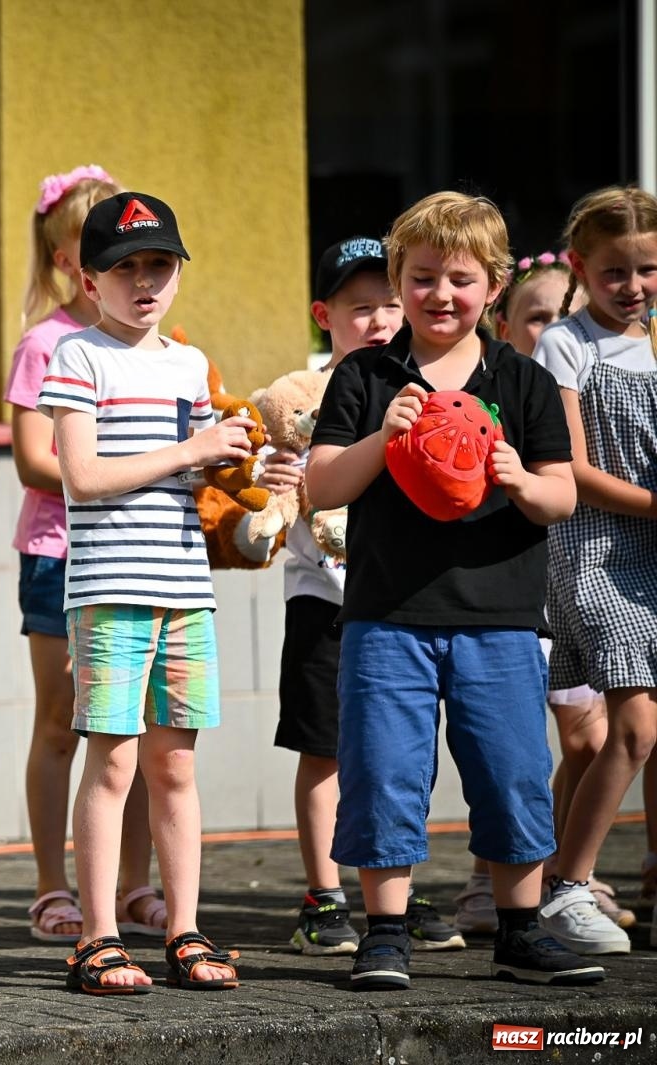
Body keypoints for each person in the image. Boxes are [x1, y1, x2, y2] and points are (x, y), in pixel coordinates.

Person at [308, 190, 603, 990]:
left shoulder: (524, 379)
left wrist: (518, 477)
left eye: (461, 279)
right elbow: (322, 485)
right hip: (385, 616)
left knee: (512, 770)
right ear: (399, 280)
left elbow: (561, 495)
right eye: (423, 277)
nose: (441, 294)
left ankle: (519, 929)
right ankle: (386, 932)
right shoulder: (365, 374)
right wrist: (384, 435)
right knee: (383, 772)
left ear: (495, 286)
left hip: (500, 618)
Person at [38, 191, 243, 994]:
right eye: (126, 268)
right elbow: (82, 478)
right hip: (111, 590)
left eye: (160, 264)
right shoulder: (77, 356)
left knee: (176, 765)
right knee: (114, 760)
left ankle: (184, 928)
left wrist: (242, 468)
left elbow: (201, 476)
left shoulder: (189, 364)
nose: (146, 281)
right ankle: (98, 937)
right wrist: (191, 449)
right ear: (91, 281)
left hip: (185, 587)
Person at [268, 238, 460, 955]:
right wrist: (275, 478)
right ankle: (324, 895)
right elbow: (271, 483)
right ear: (324, 316)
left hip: (402, 598)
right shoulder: (299, 396)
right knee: (324, 750)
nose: (379, 320)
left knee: (400, 751)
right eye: (360, 308)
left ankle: (396, 889)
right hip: (324, 598)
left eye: (389, 303)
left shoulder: (426, 383)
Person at [5, 165, 165, 944]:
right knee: (61, 724)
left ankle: (135, 883)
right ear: (67, 260)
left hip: (139, 554)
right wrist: (116, 468)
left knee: (134, 727)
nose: (124, 268)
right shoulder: (46, 344)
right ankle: (50, 884)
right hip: (61, 555)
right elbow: (35, 459)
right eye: (92, 247)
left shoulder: (156, 345)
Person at [454, 250, 632, 937]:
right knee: (507, 744)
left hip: (583, 577)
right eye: (537, 317)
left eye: (564, 315)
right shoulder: (499, 389)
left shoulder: (580, 387)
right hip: (517, 587)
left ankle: (560, 871)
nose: (553, 327)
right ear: (504, 323)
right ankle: (489, 878)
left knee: (586, 739)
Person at [532, 185, 657, 956]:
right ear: (580, 268)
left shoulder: (656, 340)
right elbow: (573, 470)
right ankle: (567, 886)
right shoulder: (566, 344)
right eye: (615, 271)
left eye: (648, 269)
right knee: (634, 726)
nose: (633, 286)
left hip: (652, 548)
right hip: (599, 554)